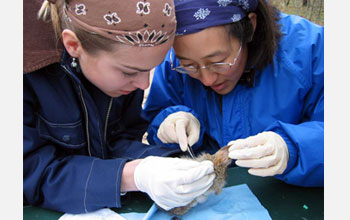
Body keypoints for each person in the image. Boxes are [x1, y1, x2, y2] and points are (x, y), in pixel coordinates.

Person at [23, 0, 216, 214]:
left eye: (150, 69)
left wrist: (167, 163)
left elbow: (119, 139)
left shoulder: (123, 66)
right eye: (129, 72)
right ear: (74, 45)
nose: (144, 84)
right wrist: (130, 176)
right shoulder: (21, 74)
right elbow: (29, 175)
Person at [143, 0, 324, 187]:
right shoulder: (174, 63)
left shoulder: (313, 50)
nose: (207, 80)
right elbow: (156, 118)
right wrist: (168, 122)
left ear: (250, 26)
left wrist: (293, 149)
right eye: (190, 66)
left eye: (218, 62)